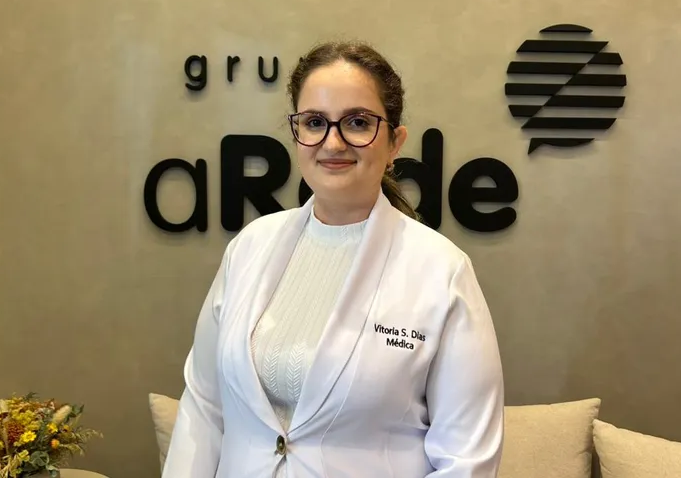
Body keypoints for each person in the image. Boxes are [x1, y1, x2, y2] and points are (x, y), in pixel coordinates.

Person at [162, 40, 505, 478]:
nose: (333, 142)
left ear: (394, 142)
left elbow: (467, 461)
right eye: (315, 122)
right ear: (296, 135)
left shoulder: (442, 271)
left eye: (358, 122)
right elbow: (204, 407)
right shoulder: (249, 247)